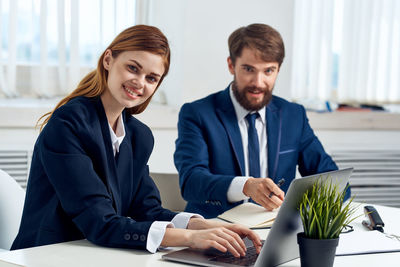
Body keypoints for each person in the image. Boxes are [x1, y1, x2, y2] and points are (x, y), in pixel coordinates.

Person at [11, 25, 262, 257]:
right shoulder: (68, 124)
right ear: (108, 59)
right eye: (133, 68)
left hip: (100, 254)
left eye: (151, 78)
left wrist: (207, 225)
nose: (139, 82)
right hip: (48, 255)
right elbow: (100, 222)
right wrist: (191, 237)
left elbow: (147, 210)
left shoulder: (138, 136)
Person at [174, 23, 350, 219]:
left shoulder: (293, 115)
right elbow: (191, 183)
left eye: (268, 71)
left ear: (278, 70)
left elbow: (334, 182)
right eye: (249, 69)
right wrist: (246, 186)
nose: (258, 82)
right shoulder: (197, 114)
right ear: (231, 65)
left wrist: (296, 212)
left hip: (275, 232)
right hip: (215, 231)